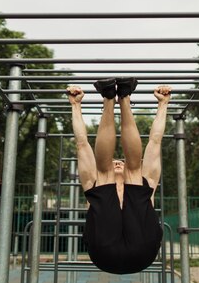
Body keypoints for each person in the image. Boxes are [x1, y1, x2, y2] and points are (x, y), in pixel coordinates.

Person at [67, 78, 172, 274]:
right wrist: (163, 104)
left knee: (116, 173)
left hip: (112, 251)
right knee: (129, 173)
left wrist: (76, 105)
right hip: (133, 251)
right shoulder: (141, 183)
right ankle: (122, 96)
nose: (117, 162)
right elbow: (82, 144)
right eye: (116, 161)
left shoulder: (99, 183)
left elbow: (155, 142)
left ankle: (113, 97)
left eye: (119, 161)